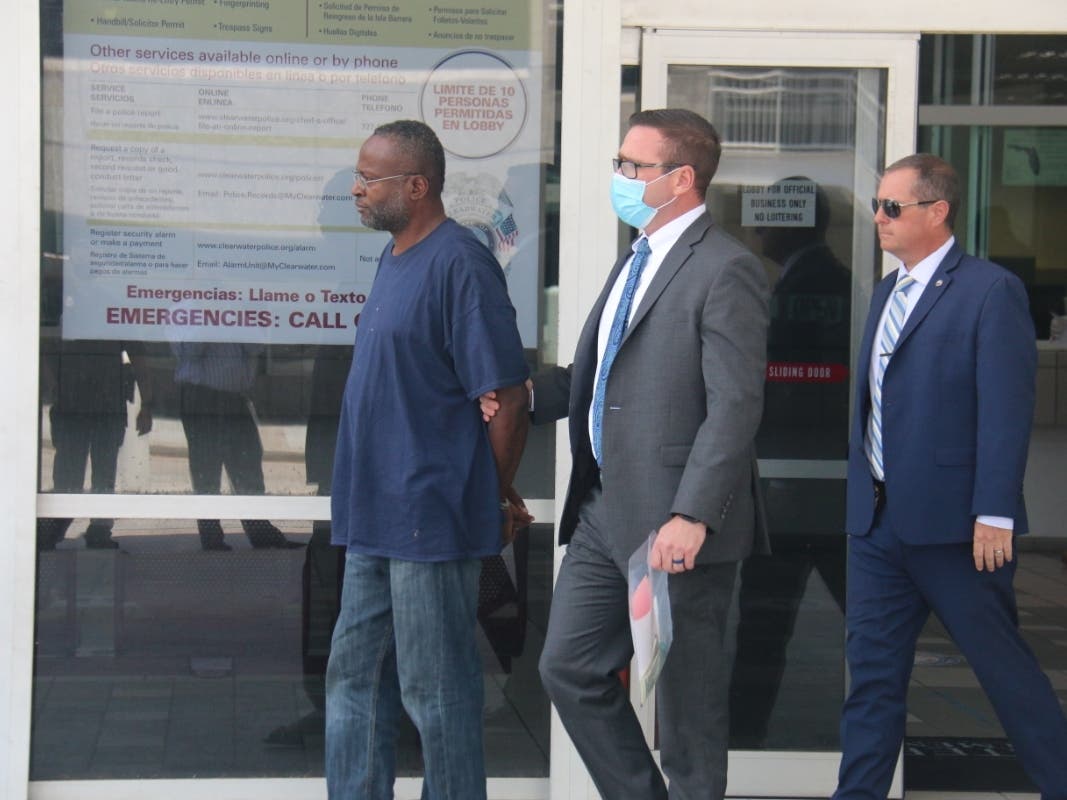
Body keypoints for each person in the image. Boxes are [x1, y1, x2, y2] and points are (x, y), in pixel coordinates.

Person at [485, 108, 769, 799]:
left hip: (676, 524)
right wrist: (518, 392)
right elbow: (600, 378)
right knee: (569, 668)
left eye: (631, 167)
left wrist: (693, 514)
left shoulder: (725, 268)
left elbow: (734, 405)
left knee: (687, 710)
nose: (618, 177)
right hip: (605, 507)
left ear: (681, 178)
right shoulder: (637, 257)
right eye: (618, 163)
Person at [834, 153, 1067, 799]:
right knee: (872, 681)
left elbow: (1004, 406)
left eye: (891, 207)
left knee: (1004, 675)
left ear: (936, 212)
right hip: (877, 526)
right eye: (876, 205)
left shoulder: (988, 290)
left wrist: (993, 511)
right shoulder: (886, 290)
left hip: (956, 529)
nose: (877, 218)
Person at [324, 119, 529, 800]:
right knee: (354, 679)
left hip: (427, 517)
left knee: (435, 691)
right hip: (372, 514)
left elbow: (504, 394)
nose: (355, 189)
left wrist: (493, 496)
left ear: (416, 186)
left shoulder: (458, 262)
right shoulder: (395, 255)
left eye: (369, 178)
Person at [729, 178, 851, 747]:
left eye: (766, 219)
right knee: (866, 626)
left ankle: (742, 743)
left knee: (761, 630)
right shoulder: (844, 284)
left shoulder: (799, 288)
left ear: (790, 225)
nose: (756, 231)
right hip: (831, 491)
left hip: (791, 493)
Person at [171, 339, 300, 551]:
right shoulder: (187, 308)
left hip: (235, 396)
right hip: (202, 396)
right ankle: (211, 536)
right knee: (207, 467)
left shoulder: (237, 307)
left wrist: (236, 319)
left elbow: (256, 346)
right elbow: (190, 352)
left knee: (248, 459)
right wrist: (212, 315)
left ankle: (260, 531)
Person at [38, 339, 154, 550]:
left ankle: (93, 528)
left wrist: (147, 404)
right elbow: (41, 342)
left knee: (98, 470)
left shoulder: (110, 316)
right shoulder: (72, 312)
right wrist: (52, 383)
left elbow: (138, 357)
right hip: (75, 405)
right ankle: (60, 524)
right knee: (71, 472)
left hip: (102, 405)